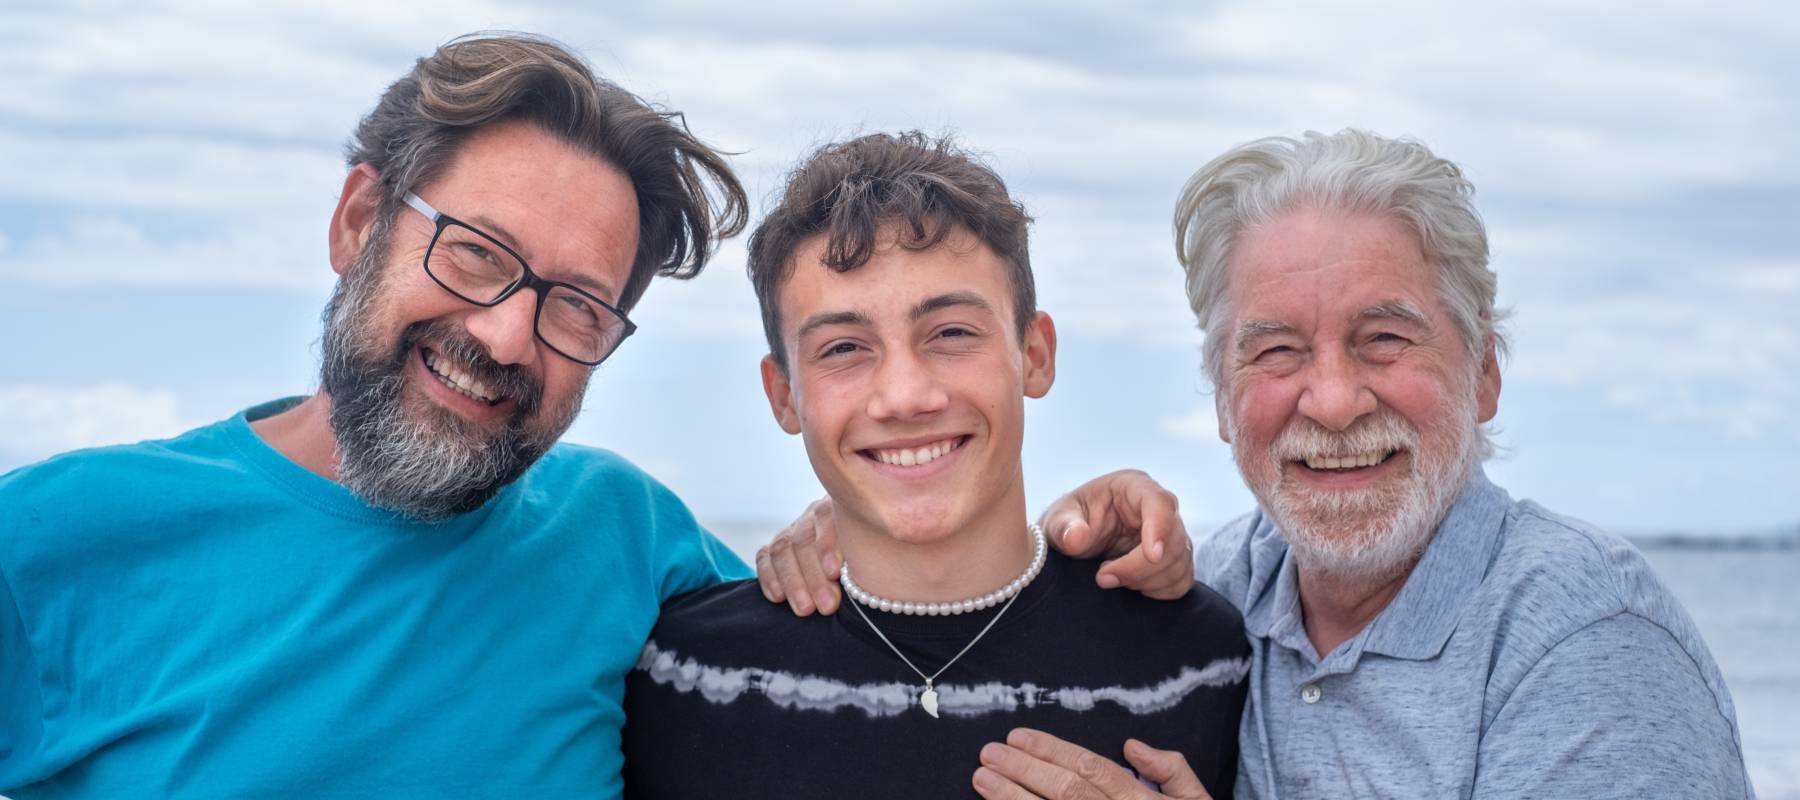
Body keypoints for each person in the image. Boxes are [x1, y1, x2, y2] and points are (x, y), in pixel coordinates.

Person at [0, 33, 1193, 799]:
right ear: (360, 222)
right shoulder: (53, 537)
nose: (510, 336)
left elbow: (886, 640)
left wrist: (1100, 525)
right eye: (475, 256)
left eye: (575, 306)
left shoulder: (627, 535)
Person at [760, 129, 1754, 799]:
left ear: (1485, 373)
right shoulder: (1222, 590)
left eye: (1384, 339)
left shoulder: (1582, 639)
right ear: (1225, 395)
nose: (1330, 399)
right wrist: (860, 525)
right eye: (1276, 350)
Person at [621, 132, 1249, 799]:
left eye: (951, 333)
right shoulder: (683, 671)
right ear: (784, 396)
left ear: (1034, 355)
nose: (905, 397)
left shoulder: (1198, 656)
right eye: (842, 348)